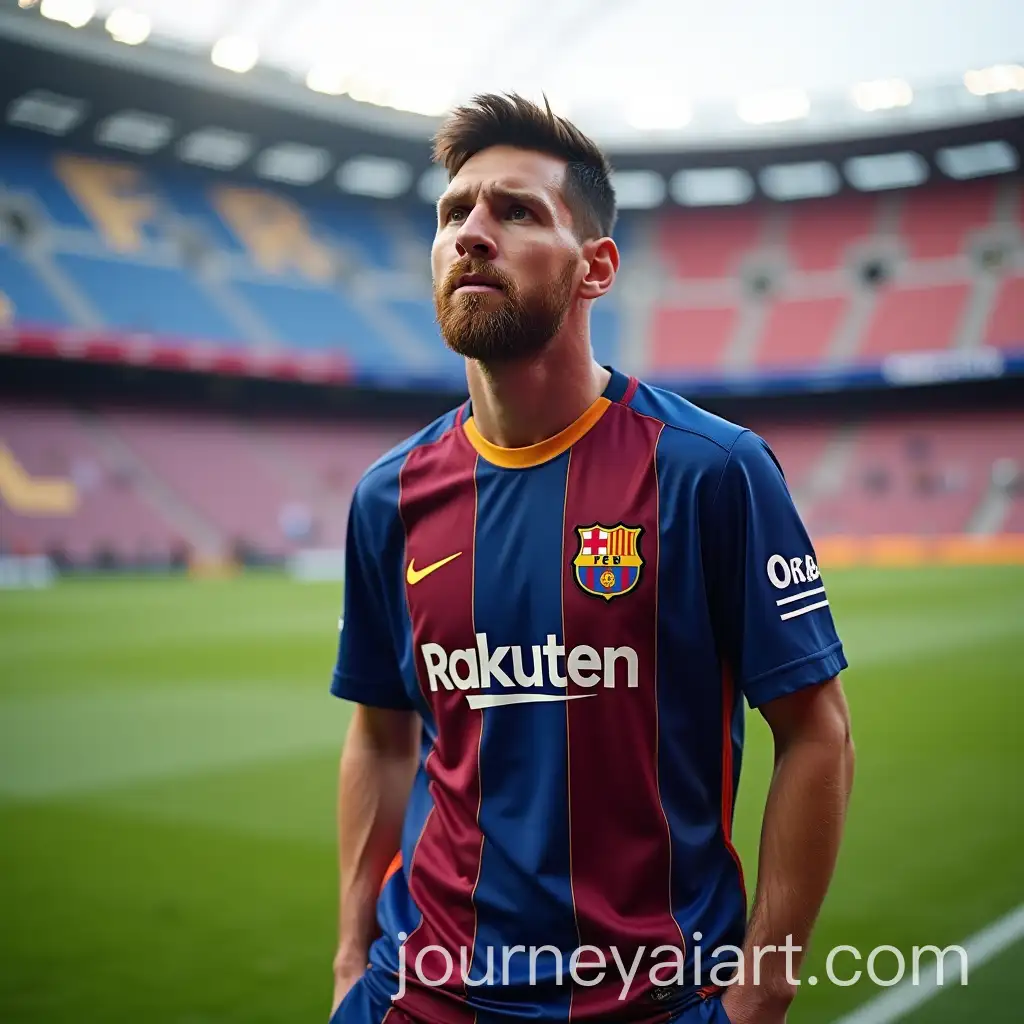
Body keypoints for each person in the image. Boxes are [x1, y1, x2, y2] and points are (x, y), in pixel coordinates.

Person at [329, 93, 854, 1024]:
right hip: (414, 996)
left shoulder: (711, 471)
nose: (472, 234)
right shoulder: (389, 495)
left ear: (596, 268)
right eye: (454, 213)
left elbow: (817, 733)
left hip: (651, 1002)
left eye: (517, 211)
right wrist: (349, 959)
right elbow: (379, 734)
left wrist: (761, 994)